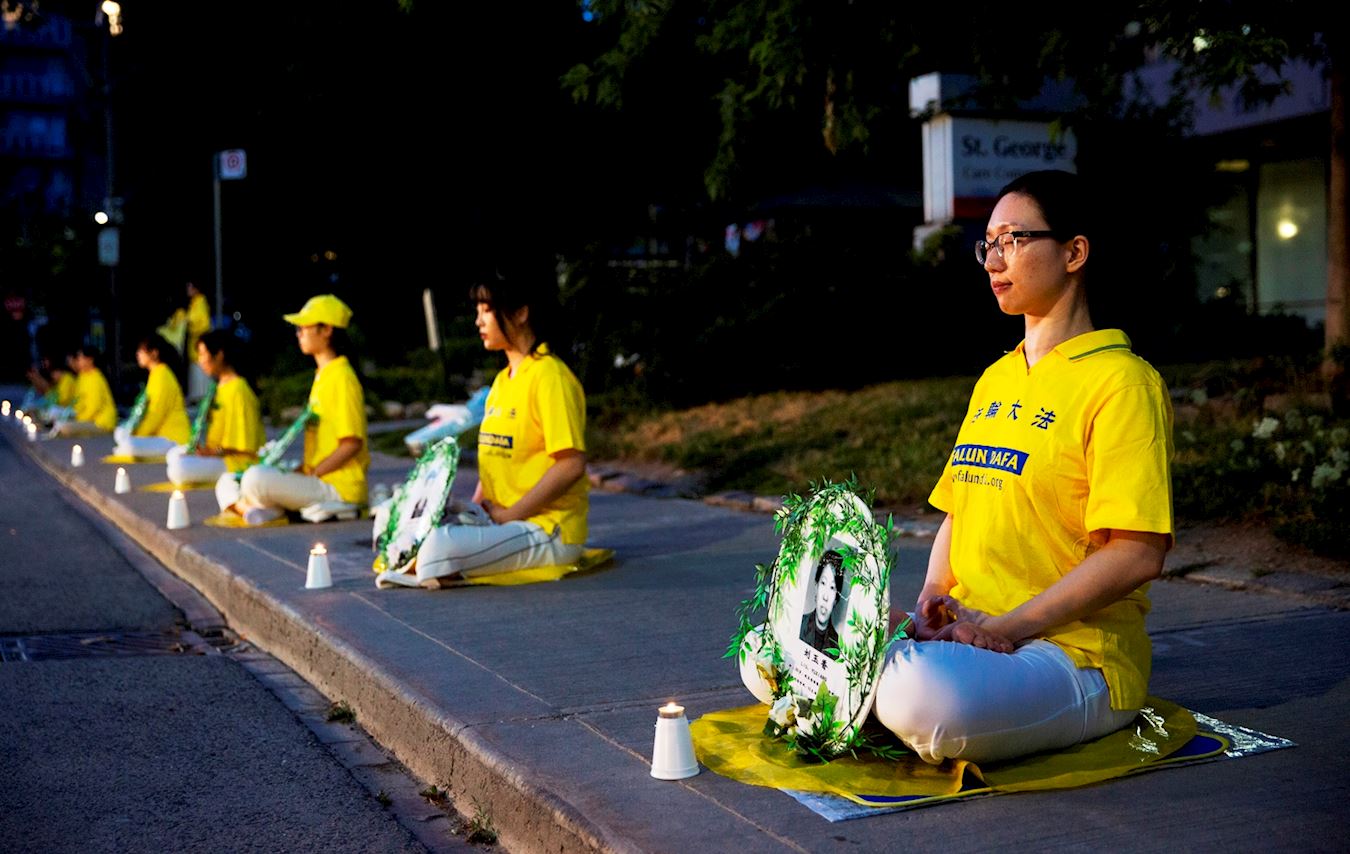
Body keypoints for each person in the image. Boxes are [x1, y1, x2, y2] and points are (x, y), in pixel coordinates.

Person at [871, 170, 1174, 765]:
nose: (993, 260)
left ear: (1074, 253)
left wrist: (1006, 628)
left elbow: (1137, 554)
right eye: (988, 244)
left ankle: (873, 687)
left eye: (1011, 240)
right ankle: (888, 670)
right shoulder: (996, 378)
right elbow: (961, 509)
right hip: (968, 637)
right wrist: (933, 598)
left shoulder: (1122, 382)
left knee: (919, 696)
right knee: (777, 642)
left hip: (1069, 655)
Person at [384, 266, 589, 586]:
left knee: (439, 546)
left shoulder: (550, 377)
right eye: (477, 311)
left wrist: (510, 515)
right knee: (394, 517)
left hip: (547, 527)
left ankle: (432, 565)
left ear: (520, 313)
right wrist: (472, 510)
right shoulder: (502, 382)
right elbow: (494, 460)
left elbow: (571, 465)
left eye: (486, 310)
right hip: (500, 520)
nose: (478, 321)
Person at [229, 294, 368, 525]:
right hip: (319, 476)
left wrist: (313, 472)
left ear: (326, 330)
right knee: (232, 479)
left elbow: (352, 443)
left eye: (303, 328)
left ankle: (262, 508)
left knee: (254, 478)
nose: (299, 334)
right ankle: (268, 509)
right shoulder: (324, 375)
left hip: (338, 485)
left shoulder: (342, 377)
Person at [166, 329, 265, 490]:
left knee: (179, 467)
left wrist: (212, 452)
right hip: (217, 455)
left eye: (202, 354)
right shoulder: (218, 387)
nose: (199, 361)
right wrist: (204, 450)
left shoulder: (238, 390)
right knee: (174, 455)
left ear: (219, 355)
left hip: (235, 462)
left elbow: (244, 447)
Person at [115, 334, 192, 457]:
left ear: (154, 353)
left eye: (141, 351)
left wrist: (138, 434)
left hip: (173, 439)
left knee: (127, 443)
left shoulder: (162, 376)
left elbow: (156, 414)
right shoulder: (156, 374)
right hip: (162, 436)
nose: (138, 354)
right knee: (121, 433)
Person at [52, 345, 117, 435]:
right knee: (58, 420)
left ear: (90, 360)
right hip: (86, 418)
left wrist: (78, 419)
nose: (78, 360)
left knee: (63, 427)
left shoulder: (95, 378)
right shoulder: (83, 376)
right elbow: (78, 402)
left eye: (80, 358)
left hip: (101, 422)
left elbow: (94, 407)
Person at [799, 550, 844, 658]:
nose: (825, 597)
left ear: (836, 598)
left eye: (832, 587)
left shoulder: (837, 647)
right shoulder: (800, 625)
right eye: (823, 583)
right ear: (816, 586)